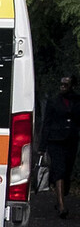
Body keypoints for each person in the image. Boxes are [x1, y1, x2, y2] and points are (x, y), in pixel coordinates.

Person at [42, 74, 80, 218]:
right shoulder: (54, 101)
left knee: (66, 171)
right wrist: (42, 146)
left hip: (71, 141)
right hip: (55, 141)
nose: (62, 87)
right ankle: (62, 206)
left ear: (72, 86)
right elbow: (46, 123)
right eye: (61, 84)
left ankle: (61, 195)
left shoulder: (77, 101)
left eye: (66, 85)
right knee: (60, 169)